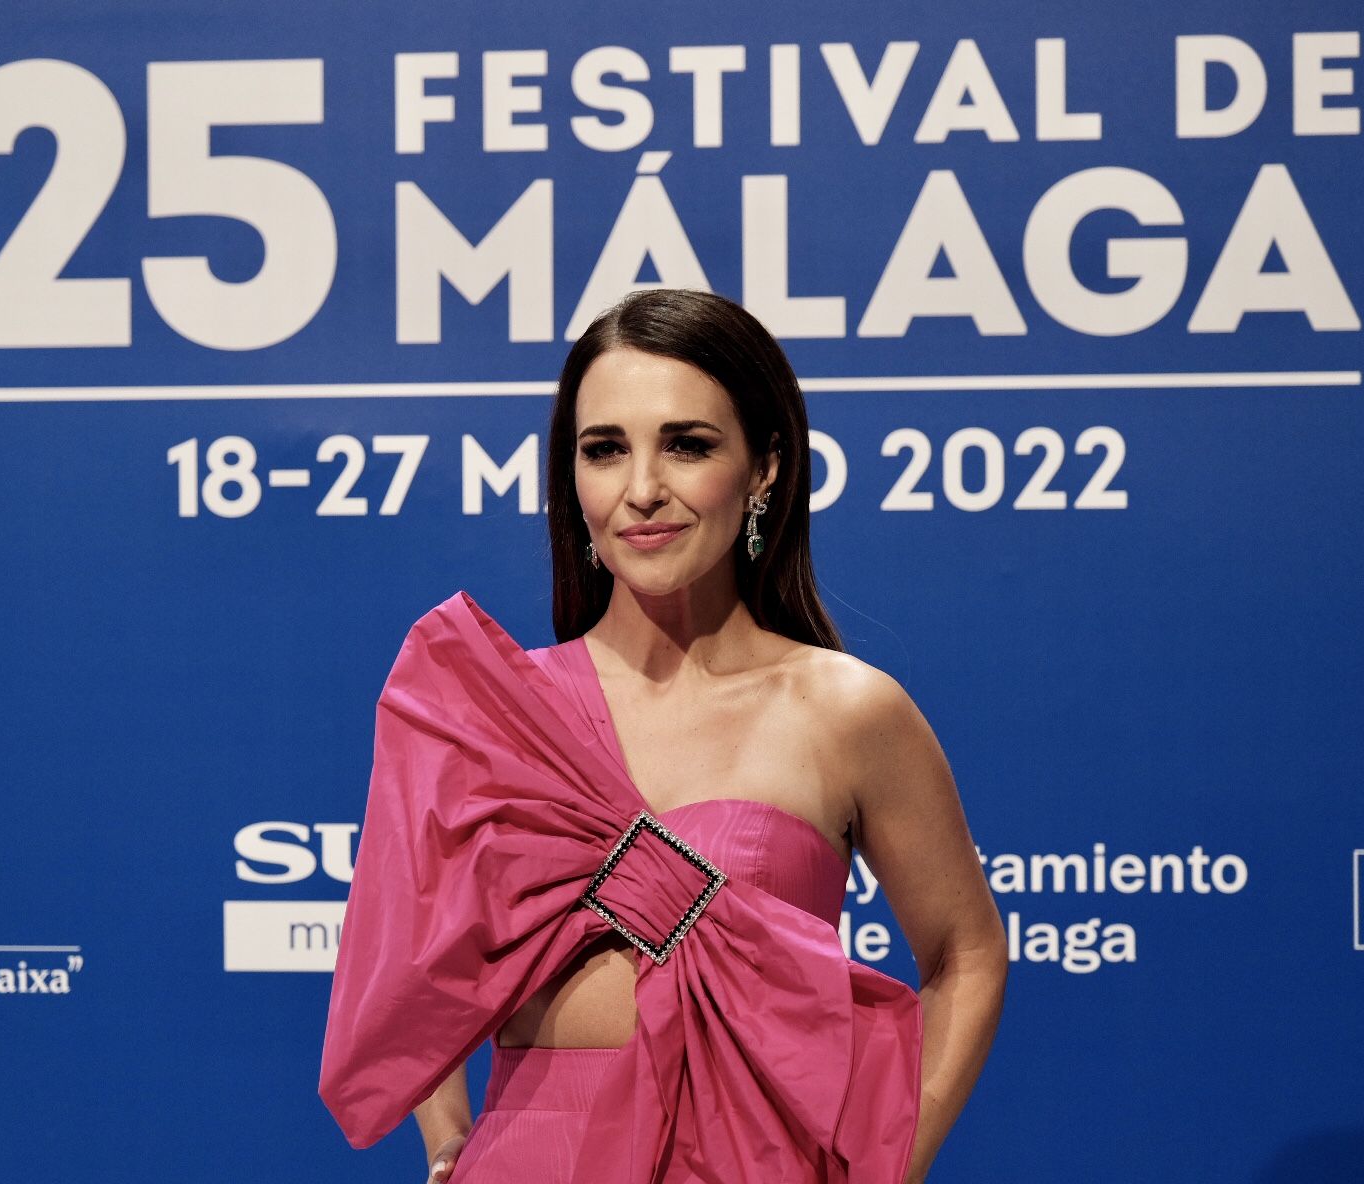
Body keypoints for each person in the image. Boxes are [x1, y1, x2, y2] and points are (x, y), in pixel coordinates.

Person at [319, 289, 1008, 1184]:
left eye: (687, 445)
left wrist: (886, 1168)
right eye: (605, 450)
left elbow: (967, 953)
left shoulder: (847, 711)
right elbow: (411, 967)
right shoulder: (493, 715)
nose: (642, 489)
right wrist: (450, 1138)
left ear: (765, 468)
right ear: (572, 477)